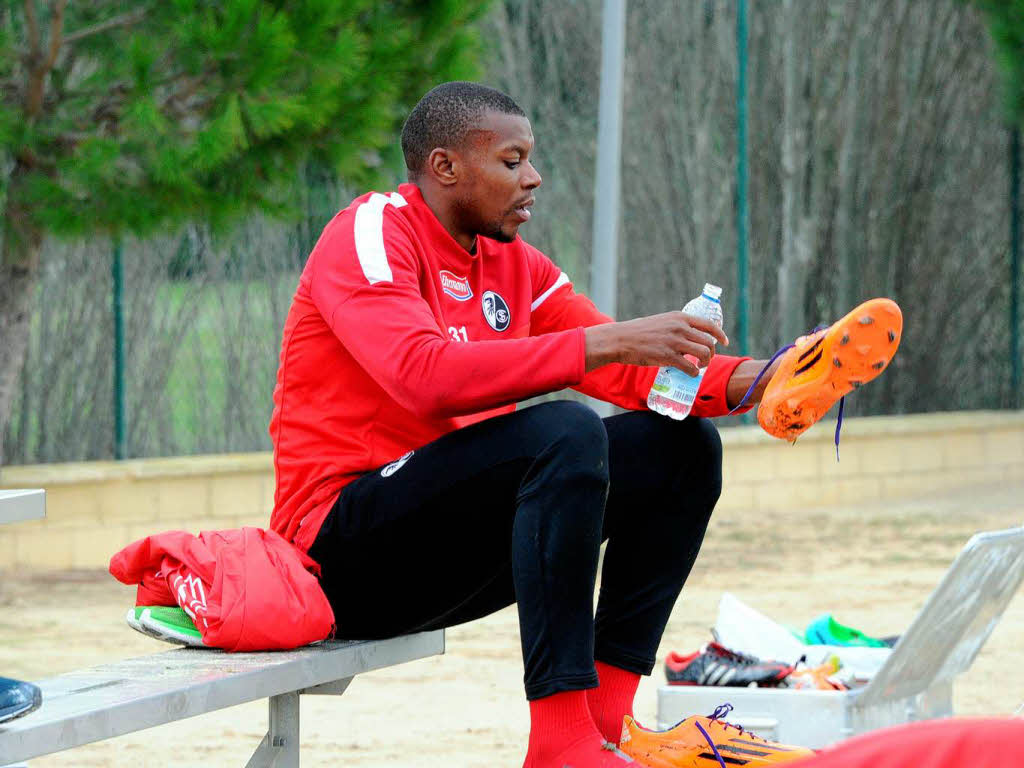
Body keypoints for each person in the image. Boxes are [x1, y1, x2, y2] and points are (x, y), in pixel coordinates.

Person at [267, 82, 900, 768]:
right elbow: (422, 376)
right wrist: (619, 341)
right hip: (340, 558)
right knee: (564, 432)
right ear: (446, 168)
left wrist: (769, 377)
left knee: (680, 448)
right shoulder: (371, 233)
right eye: (512, 161)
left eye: (529, 160)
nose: (533, 178)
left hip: (450, 554)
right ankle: (561, 747)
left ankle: (605, 729)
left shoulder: (513, 264)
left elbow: (635, 375)